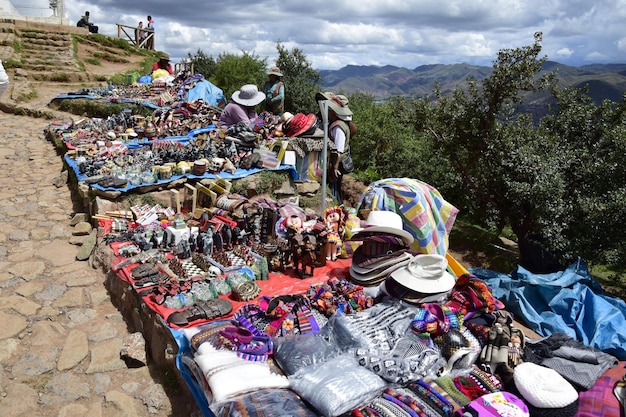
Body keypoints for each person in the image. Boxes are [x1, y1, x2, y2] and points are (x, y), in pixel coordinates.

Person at [316, 91, 355, 203]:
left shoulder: (338, 127)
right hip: (340, 161)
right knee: (336, 187)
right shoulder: (344, 123)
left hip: (338, 162)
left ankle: (336, 205)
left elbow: (338, 151)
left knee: (335, 188)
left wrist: (334, 168)